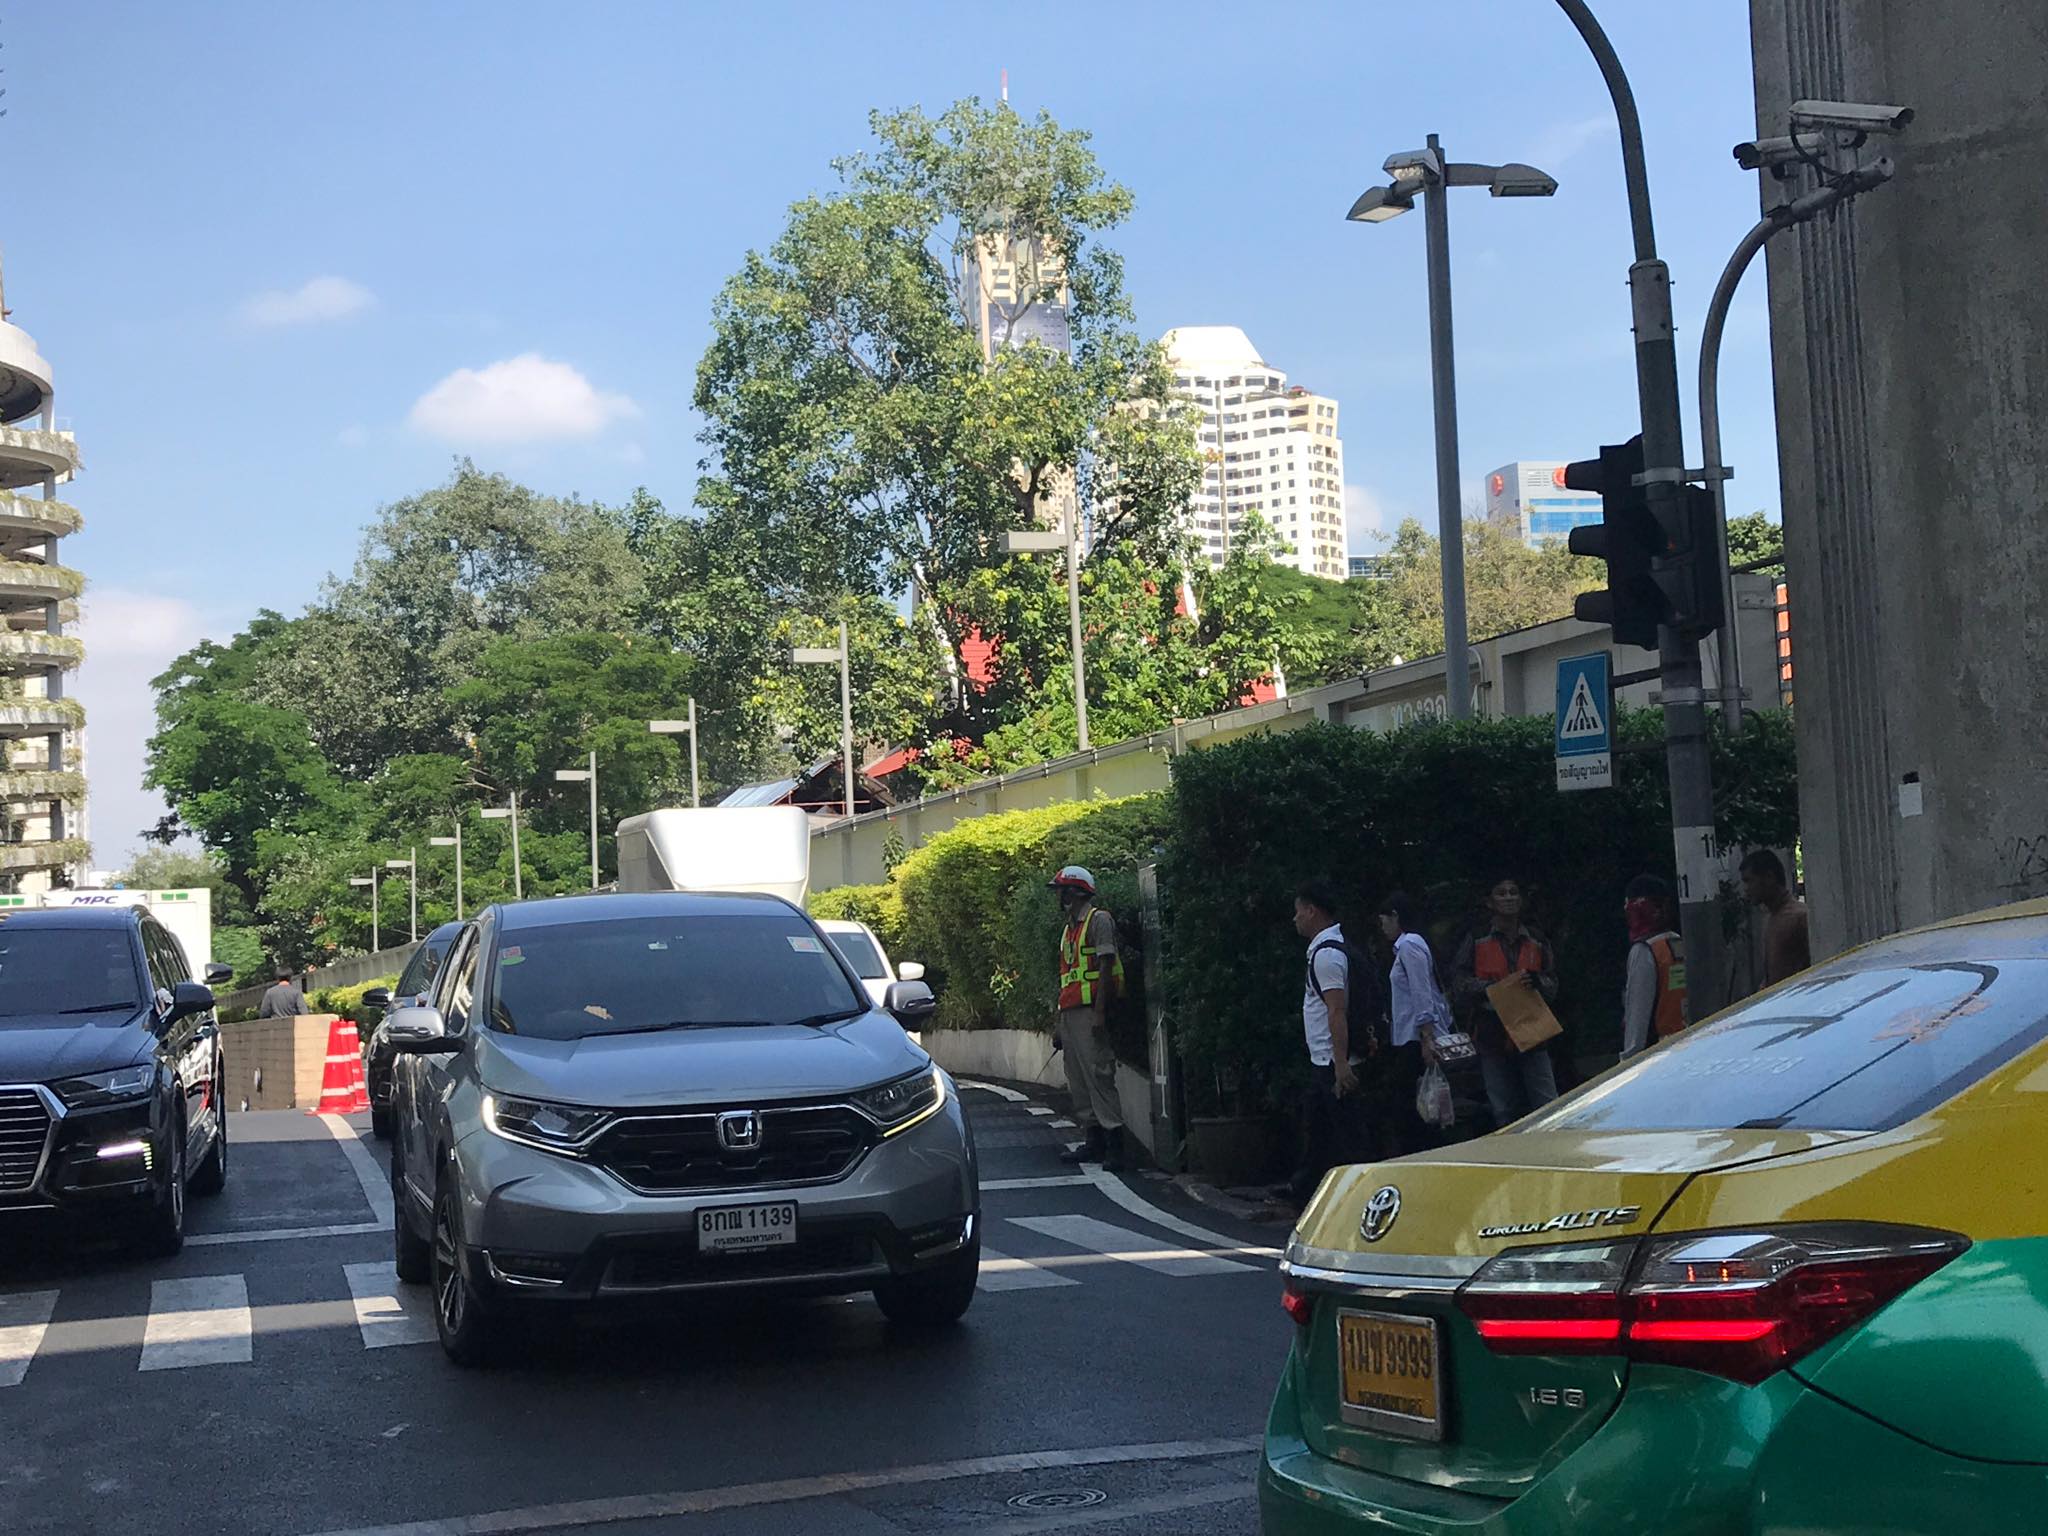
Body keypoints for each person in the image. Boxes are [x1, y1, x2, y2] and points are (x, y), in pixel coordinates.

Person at [1449, 875, 1560, 1127]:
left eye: (1513, 892)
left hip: (1533, 1030)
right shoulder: (1477, 939)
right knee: (1503, 1109)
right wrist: (1492, 989)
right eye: (1501, 893)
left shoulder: (1536, 939)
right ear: (1490, 902)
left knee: (1547, 1103)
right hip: (1492, 1032)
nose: (1509, 898)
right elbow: (1458, 982)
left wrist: (1538, 982)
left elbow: (1553, 983)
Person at [1287, 881, 1368, 1204]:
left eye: (1298, 912)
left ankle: (1358, 1195)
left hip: (1331, 1062)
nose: (1295, 919)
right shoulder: (1331, 948)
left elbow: (1337, 1010)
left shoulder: (1328, 955)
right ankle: (1305, 1190)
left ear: (1311, 910)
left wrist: (1341, 1063)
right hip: (1324, 1060)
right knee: (1318, 1129)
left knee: (1348, 1135)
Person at [1050, 865, 1128, 1172]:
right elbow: (1066, 978)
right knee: (1078, 1079)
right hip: (1071, 1012)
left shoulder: (1099, 920)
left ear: (1076, 892)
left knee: (1099, 1074)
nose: (1060, 897)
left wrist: (1099, 1012)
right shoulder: (1069, 929)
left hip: (1090, 1010)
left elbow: (1106, 965)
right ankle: (1093, 1140)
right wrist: (1059, 1024)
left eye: (1063, 891)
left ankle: (1116, 1144)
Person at [1379, 892, 1452, 1151]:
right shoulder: (1410, 946)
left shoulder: (1410, 945)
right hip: (1409, 1034)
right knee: (1414, 1101)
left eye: (1385, 920)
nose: (1383, 927)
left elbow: (1421, 992)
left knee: (1409, 1103)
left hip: (1416, 1036)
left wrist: (1427, 1036)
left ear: (1396, 917)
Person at [1620, 875, 1687, 1058]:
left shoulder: (1644, 950)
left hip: (1656, 1055)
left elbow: (1637, 1014)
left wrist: (1628, 1062)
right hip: (1685, 1044)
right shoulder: (1676, 941)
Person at [1741, 849, 1811, 985]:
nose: (1746, 888)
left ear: (1769, 877)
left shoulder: (1799, 916)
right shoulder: (1770, 917)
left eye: (1749, 881)